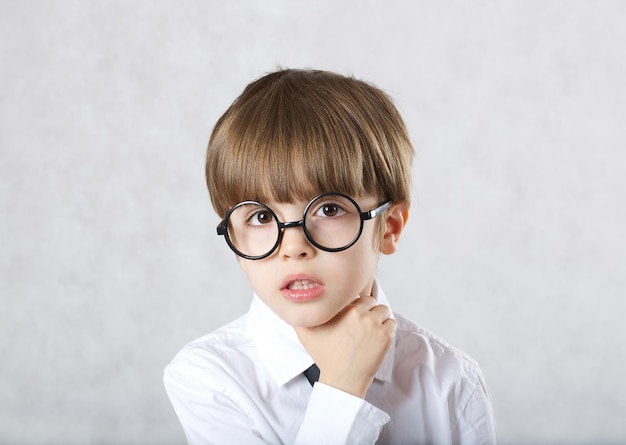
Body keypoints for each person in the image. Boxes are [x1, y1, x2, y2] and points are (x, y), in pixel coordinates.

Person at [164, 68, 497, 444]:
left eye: (329, 210)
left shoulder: (450, 382)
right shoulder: (210, 378)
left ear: (388, 227)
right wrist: (342, 387)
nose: (292, 247)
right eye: (260, 217)